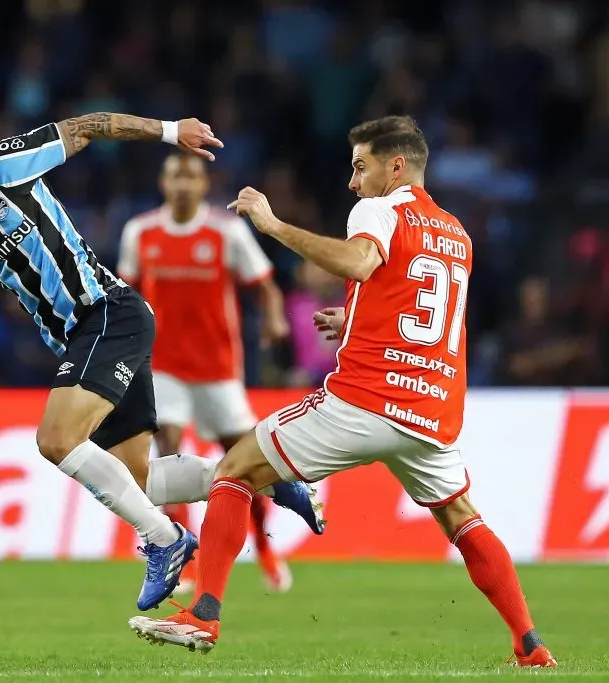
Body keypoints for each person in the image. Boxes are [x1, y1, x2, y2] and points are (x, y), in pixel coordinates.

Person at [127, 116, 556, 669]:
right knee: (461, 518)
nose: (353, 182)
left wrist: (273, 224)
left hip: (365, 401)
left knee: (235, 471)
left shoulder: (379, 209)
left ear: (395, 166)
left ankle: (203, 614)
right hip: (432, 411)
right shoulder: (455, 231)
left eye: (360, 166)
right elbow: (421, 309)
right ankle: (530, 645)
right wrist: (352, 317)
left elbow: (359, 261)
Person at [0, 108, 322, 611]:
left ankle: (164, 540)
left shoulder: (0, 169)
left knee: (56, 438)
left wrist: (171, 132)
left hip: (109, 312)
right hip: (81, 339)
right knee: (137, 480)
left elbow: (88, 126)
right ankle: (268, 477)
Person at [117, 152, 317, 595]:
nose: (183, 184)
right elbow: (126, 292)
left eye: (191, 176)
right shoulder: (140, 231)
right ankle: (181, 555)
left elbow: (263, 284)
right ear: (163, 183)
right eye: (175, 176)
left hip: (218, 371)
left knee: (247, 462)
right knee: (165, 451)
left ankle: (265, 549)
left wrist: (274, 318)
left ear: (205, 185)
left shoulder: (226, 231)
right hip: (163, 365)